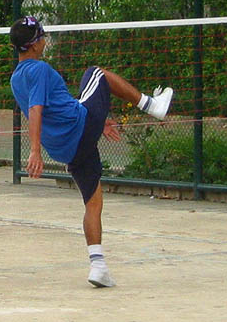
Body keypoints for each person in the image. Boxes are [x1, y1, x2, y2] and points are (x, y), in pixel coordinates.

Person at [9, 16, 174, 288]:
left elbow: (52, 107)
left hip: (66, 148)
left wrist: (99, 120)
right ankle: (151, 105)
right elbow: (37, 110)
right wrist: (33, 151)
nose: (45, 41)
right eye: (43, 37)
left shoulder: (16, 79)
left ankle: (98, 265)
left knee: (93, 200)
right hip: (79, 128)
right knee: (96, 73)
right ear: (35, 44)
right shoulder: (38, 70)